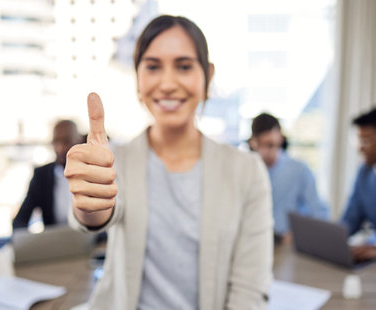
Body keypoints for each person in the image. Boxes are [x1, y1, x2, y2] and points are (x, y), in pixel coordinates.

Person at [65, 15, 273, 309]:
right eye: (152, 67)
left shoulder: (247, 172)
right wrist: (88, 204)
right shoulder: (116, 161)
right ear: (138, 78)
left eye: (184, 66)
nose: (167, 83)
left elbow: (250, 290)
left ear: (208, 76)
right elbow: (97, 215)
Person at [248, 113, 329, 242]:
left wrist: (299, 235)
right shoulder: (247, 172)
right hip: (254, 242)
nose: (271, 152)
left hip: (290, 244)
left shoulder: (299, 170)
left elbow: (319, 214)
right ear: (254, 143)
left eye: (275, 145)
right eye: (266, 145)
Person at [13, 119, 84, 228]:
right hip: (54, 242)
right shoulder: (41, 176)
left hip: (91, 241)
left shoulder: (90, 173)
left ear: (78, 141)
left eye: (66, 141)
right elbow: (20, 219)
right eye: (56, 142)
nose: (60, 148)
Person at [341, 107, 376, 261]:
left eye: (366, 141)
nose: (360, 148)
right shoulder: (364, 173)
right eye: (359, 140)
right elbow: (350, 220)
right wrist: (331, 239)